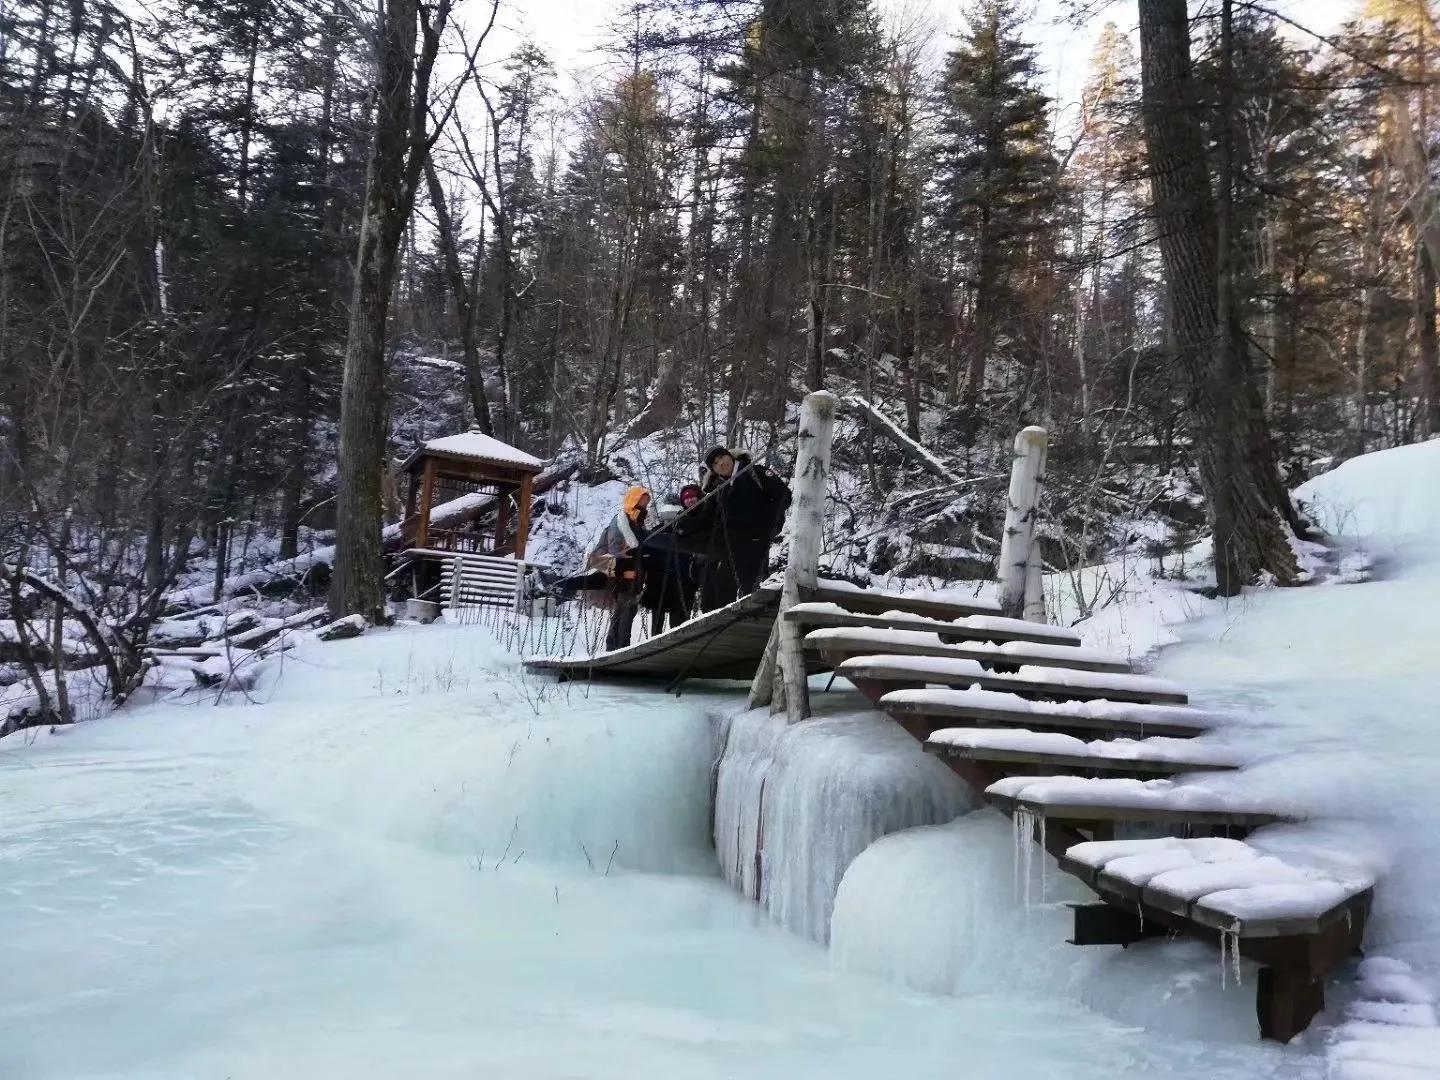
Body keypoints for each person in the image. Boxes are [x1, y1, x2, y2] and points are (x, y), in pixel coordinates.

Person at [697, 446, 792, 611]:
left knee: (751, 585)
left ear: (730, 456)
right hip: (731, 546)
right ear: (713, 470)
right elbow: (708, 521)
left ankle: (751, 621)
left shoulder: (755, 472)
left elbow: (784, 496)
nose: (721, 463)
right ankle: (723, 627)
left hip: (756, 539)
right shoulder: (720, 490)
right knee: (722, 586)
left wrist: (765, 521)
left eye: (722, 457)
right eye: (715, 463)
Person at [588, 486, 651, 650]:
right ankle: (619, 646)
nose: (644, 506)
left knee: (627, 610)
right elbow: (618, 549)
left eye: (646, 503)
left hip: (634, 575)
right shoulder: (621, 522)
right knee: (624, 609)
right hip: (622, 575)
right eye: (642, 502)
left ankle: (618, 646)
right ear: (634, 500)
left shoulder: (638, 523)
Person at [639, 487, 702, 635]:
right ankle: (661, 643)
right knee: (662, 617)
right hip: (661, 581)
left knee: (676, 618)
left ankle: (674, 641)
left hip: (679, 580)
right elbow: (645, 553)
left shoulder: (684, 530)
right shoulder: (658, 532)